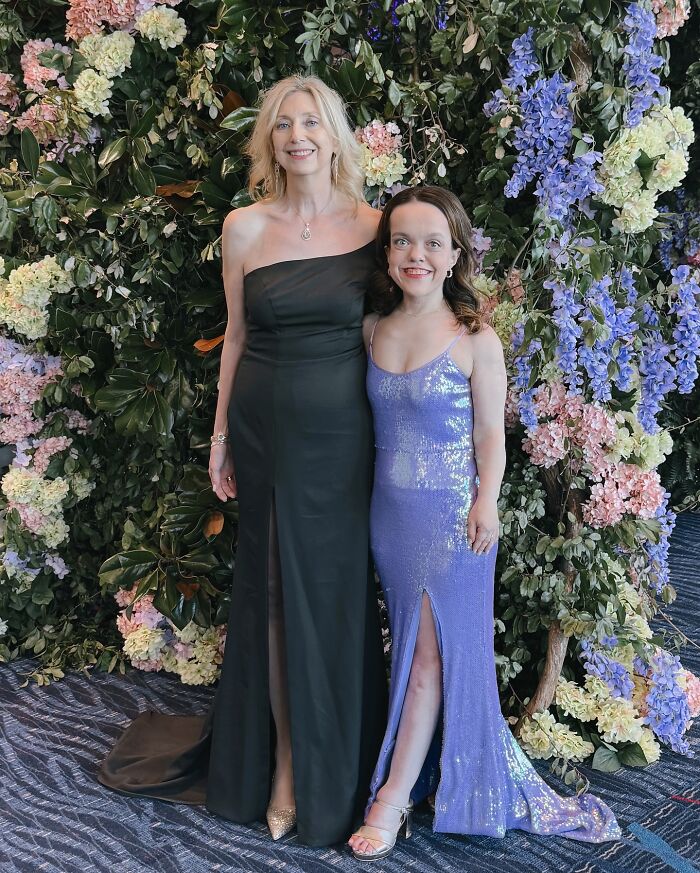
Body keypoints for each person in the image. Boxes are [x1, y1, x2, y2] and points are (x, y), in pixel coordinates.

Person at [99, 74, 387, 848]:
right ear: (269, 141)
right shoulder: (244, 226)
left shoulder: (375, 226)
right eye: (283, 125)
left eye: (311, 122)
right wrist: (221, 435)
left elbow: (391, 333)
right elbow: (235, 336)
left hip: (342, 440)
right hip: (263, 432)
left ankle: (341, 757)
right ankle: (286, 764)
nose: (298, 136)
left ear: (334, 136)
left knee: (331, 595)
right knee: (272, 597)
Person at [347, 186, 621, 861]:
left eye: (432, 243)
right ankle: (436, 772)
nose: (416, 254)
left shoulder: (475, 339)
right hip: (388, 518)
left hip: (454, 520)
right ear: (387, 254)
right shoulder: (371, 330)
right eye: (402, 241)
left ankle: (392, 799)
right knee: (409, 649)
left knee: (430, 656)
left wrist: (487, 501)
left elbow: (490, 437)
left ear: (455, 255)